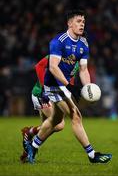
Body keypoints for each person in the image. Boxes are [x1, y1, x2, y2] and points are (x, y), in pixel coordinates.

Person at [25, 9, 112, 164]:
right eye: (78, 21)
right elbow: (52, 67)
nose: (82, 24)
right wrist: (69, 86)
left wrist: (88, 88)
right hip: (52, 84)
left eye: (83, 22)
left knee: (56, 121)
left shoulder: (84, 44)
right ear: (69, 23)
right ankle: (92, 156)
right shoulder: (59, 41)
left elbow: (84, 69)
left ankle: (33, 145)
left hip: (63, 86)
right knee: (76, 115)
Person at [20, 55, 79, 162]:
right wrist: (43, 88)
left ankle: (28, 153)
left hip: (55, 95)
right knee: (58, 125)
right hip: (42, 94)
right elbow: (39, 66)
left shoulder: (76, 62)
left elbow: (70, 80)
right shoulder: (56, 54)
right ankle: (29, 133)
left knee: (46, 131)